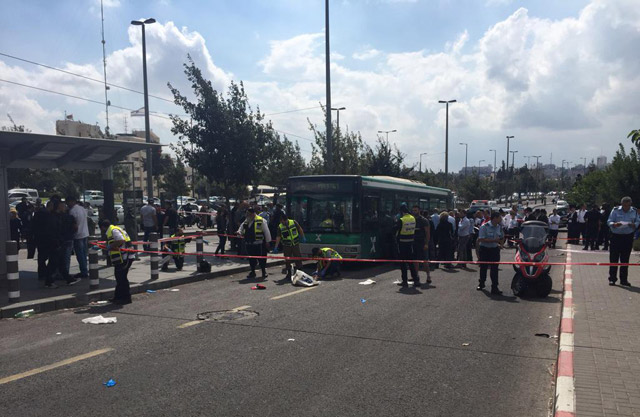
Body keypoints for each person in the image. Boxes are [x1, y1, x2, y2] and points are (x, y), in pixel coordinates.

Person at [606, 196, 639, 286]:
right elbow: (609, 221)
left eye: (628, 206)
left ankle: (624, 279)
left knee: (625, 259)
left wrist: (634, 225)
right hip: (616, 237)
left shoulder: (634, 211)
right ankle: (612, 279)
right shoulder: (615, 210)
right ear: (622, 204)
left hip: (628, 237)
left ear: (630, 205)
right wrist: (614, 224)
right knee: (614, 259)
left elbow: (637, 222)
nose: (626, 208)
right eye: (624, 206)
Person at [99, 219, 133, 304]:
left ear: (102, 227)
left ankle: (126, 298)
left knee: (122, 278)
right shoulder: (115, 229)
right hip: (122, 257)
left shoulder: (113, 230)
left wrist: (110, 246)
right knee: (119, 277)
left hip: (125, 257)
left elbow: (120, 240)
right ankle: (118, 297)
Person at [237, 207, 271, 280]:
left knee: (261, 259)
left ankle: (263, 271)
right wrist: (239, 232)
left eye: (248, 214)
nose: (247, 215)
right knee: (251, 259)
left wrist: (268, 241)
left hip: (258, 243)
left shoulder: (261, 220)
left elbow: (266, 231)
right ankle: (252, 272)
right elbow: (241, 227)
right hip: (249, 243)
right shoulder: (247, 220)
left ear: (252, 214)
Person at [477, 212, 505, 295]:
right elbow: (481, 239)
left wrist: (501, 244)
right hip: (485, 249)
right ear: (494, 218)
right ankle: (481, 283)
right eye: (499, 218)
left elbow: (502, 237)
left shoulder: (499, 227)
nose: (501, 219)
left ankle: (495, 287)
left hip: (494, 250)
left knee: (495, 269)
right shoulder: (484, 227)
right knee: (483, 267)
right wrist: (494, 241)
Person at [394, 205, 420, 287]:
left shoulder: (401, 219)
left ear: (402, 212)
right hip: (411, 242)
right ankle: (416, 279)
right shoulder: (413, 218)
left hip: (402, 243)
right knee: (411, 262)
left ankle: (404, 281)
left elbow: (395, 230)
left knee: (403, 263)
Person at [273, 213, 306, 277]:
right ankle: (289, 272)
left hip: (295, 244)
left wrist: (303, 237)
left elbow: (299, 229)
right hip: (286, 245)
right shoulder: (280, 226)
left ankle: (300, 272)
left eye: (282, 221)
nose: (281, 222)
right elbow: (278, 237)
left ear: (285, 220)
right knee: (287, 259)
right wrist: (276, 246)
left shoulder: (293, 222)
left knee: (298, 258)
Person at [56, 201, 80, 286]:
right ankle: (65, 274)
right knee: (66, 258)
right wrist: (72, 233)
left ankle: (58, 274)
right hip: (68, 239)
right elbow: (75, 227)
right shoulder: (70, 217)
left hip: (59, 240)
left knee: (58, 258)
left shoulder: (56, 217)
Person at [67, 196, 90, 279]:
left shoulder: (72, 211)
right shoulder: (82, 209)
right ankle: (85, 270)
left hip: (78, 235)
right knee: (84, 253)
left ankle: (83, 271)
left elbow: (74, 224)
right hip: (85, 233)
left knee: (80, 254)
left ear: (71, 201)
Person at [411, 206, 431, 282]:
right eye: (413, 210)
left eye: (415, 210)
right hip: (414, 242)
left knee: (425, 261)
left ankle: (428, 276)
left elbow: (427, 233)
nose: (414, 212)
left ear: (419, 211)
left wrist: (426, 244)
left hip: (422, 242)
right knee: (415, 261)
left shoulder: (424, 220)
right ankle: (416, 276)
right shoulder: (412, 220)